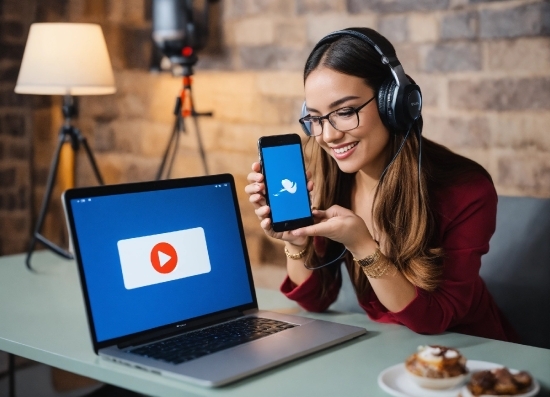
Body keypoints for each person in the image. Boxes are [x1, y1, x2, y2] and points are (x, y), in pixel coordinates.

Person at [245, 27, 518, 342]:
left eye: (345, 112)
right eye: (316, 118)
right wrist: (296, 241)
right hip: (388, 351)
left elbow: (436, 317)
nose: (328, 136)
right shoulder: (330, 175)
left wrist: (362, 245)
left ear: (396, 104)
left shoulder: (467, 190)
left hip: (471, 353)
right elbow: (315, 300)